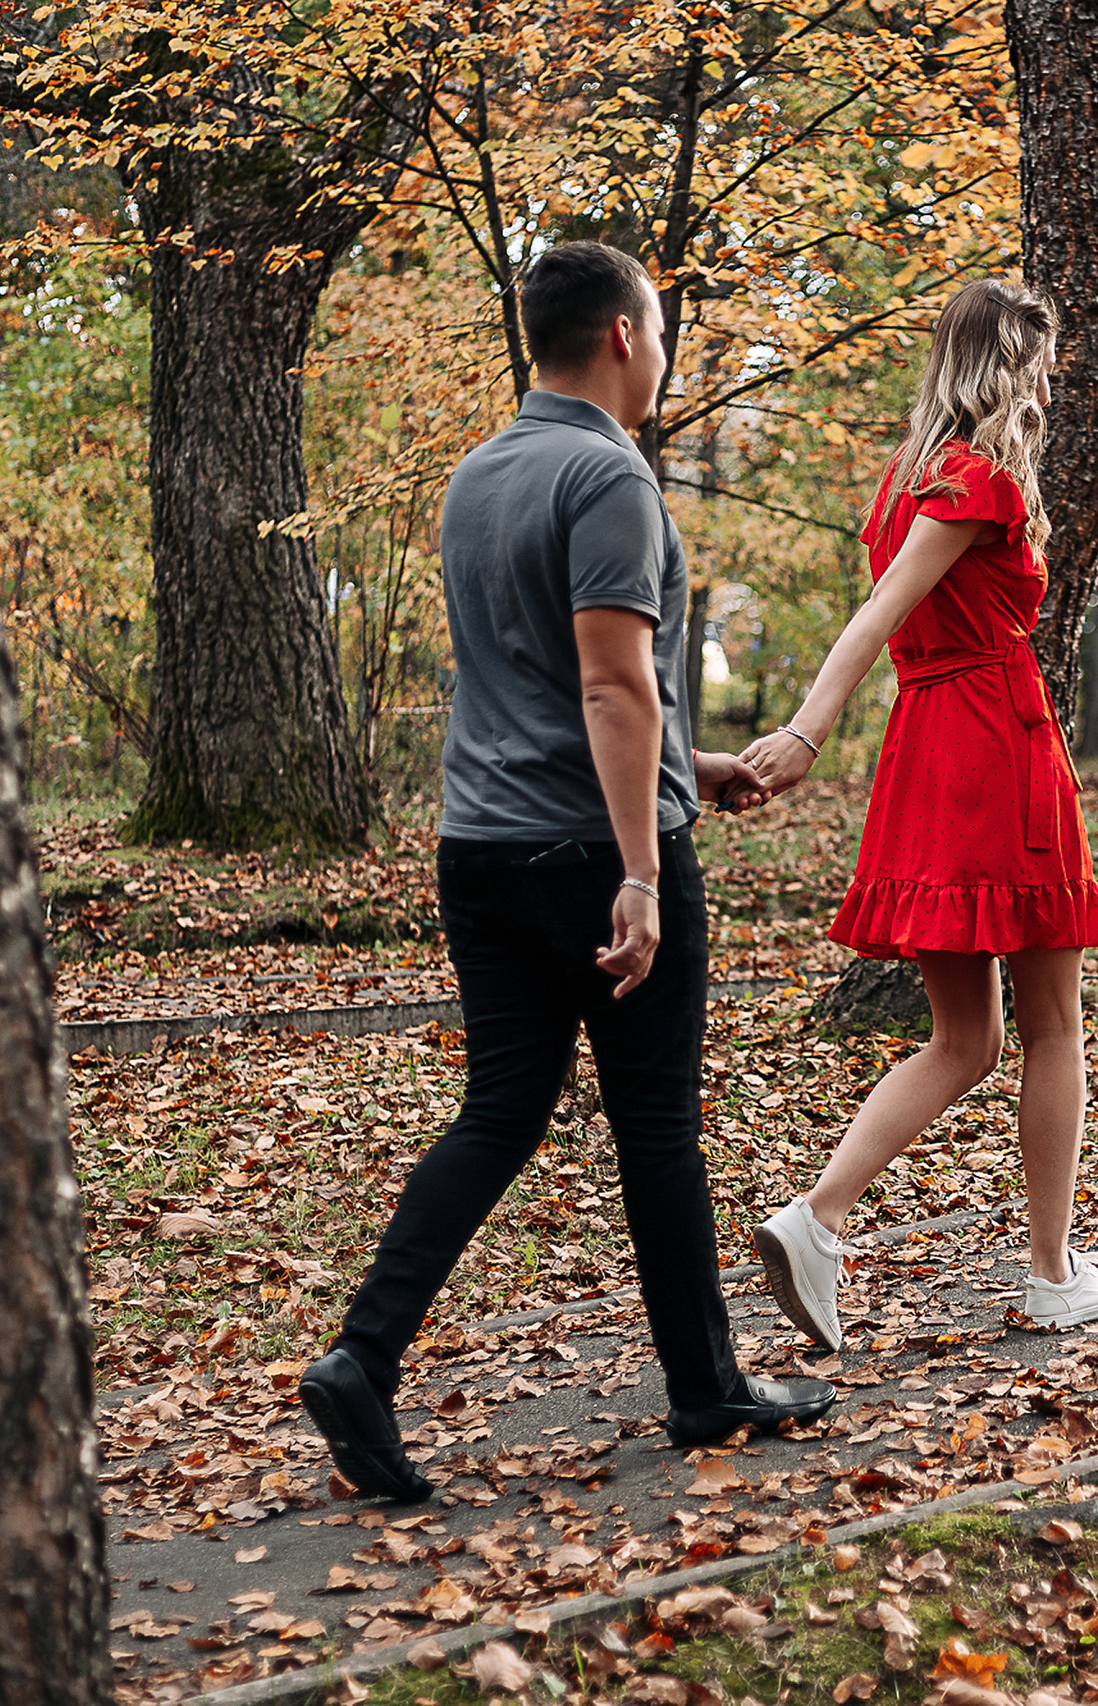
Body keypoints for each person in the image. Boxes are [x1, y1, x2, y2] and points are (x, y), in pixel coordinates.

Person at [299, 242, 833, 1502]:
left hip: (479, 846)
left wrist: (686, 765)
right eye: (657, 326)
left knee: (501, 1109)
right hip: (592, 857)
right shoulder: (610, 477)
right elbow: (604, 682)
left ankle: (361, 1359)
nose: (662, 349)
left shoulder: (478, 474)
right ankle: (706, 1387)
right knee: (655, 1129)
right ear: (620, 336)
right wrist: (644, 868)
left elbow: (554, 681)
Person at [738, 279, 1098, 1354]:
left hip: (929, 747)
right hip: (995, 748)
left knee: (965, 1038)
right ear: (1010, 365)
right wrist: (806, 732)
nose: (1055, 381)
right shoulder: (980, 482)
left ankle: (818, 1218)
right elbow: (878, 613)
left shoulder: (905, 480)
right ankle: (1053, 1273)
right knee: (1053, 1025)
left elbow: (887, 606)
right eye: (1044, 361)